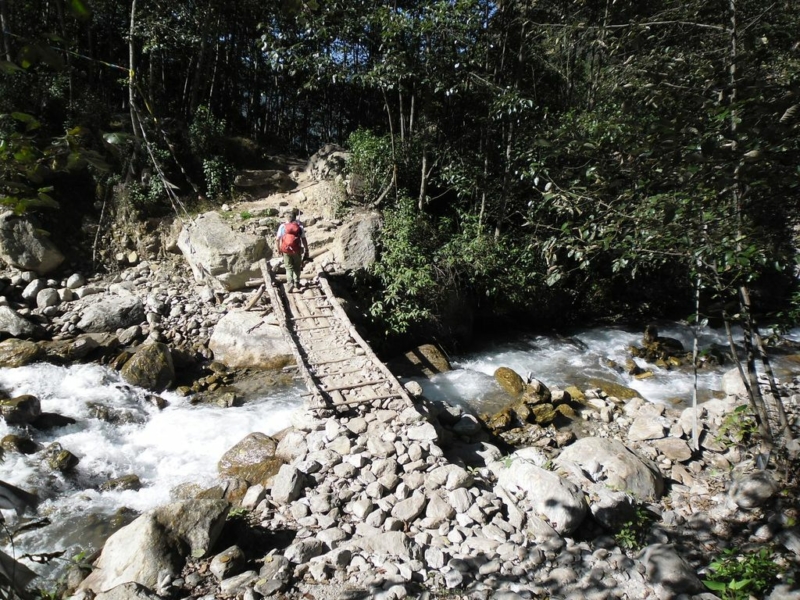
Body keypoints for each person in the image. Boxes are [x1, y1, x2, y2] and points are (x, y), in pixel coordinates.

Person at [275, 208, 309, 292]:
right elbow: (303, 239)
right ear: (295, 218)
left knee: (288, 267)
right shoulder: (299, 226)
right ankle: (296, 282)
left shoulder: (282, 226)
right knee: (297, 266)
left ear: (287, 218)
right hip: (297, 249)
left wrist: (278, 249)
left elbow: (277, 239)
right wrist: (306, 249)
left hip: (286, 250)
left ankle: (290, 282)